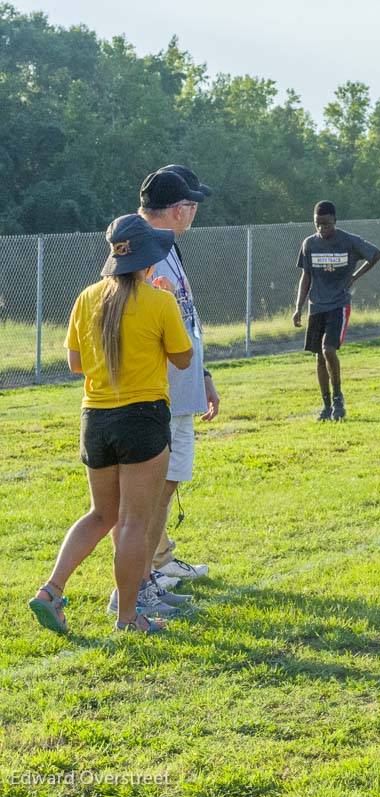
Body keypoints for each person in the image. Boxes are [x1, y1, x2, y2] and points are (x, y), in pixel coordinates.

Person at [28, 215, 193, 635]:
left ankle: (51, 590)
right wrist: (168, 299)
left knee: (100, 515)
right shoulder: (159, 301)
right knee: (134, 523)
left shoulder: (87, 297)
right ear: (147, 258)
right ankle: (127, 618)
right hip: (143, 419)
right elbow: (183, 357)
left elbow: (75, 363)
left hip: (95, 419)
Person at [137, 167, 219, 596]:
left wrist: (203, 374)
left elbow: (183, 315)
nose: (194, 213)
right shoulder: (144, 247)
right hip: (158, 391)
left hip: (182, 386)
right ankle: (141, 580)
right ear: (176, 209)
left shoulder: (169, 247)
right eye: (192, 205)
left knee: (164, 489)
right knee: (150, 492)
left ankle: (160, 562)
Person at [292, 201, 380, 421]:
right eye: (317, 224)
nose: (322, 228)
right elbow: (306, 277)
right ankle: (326, 406)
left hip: (339, 305)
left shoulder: (348, 241)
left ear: (334, 219)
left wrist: (354, 277)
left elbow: (376, 255)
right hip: (317, 306)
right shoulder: (309, 244)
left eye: (325, 224)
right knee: (318, 356)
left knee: (328, 350)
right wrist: (298, 308)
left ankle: (338, 399)